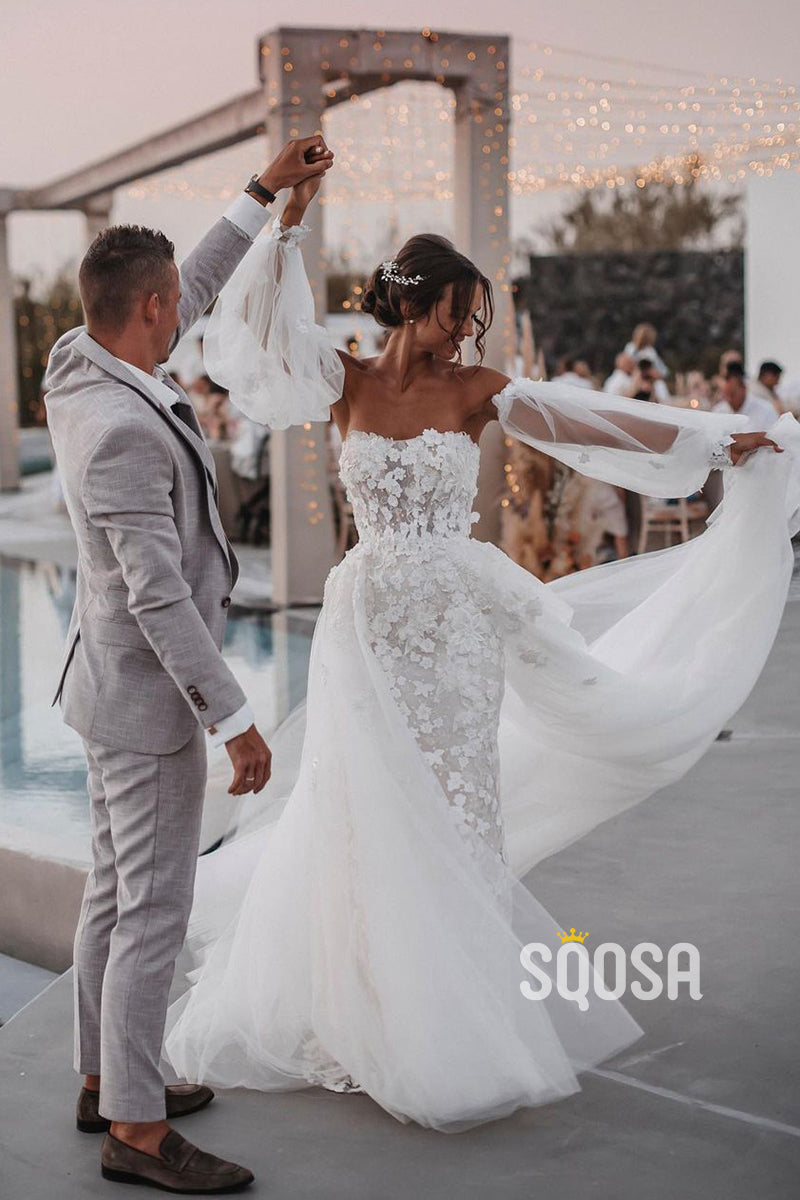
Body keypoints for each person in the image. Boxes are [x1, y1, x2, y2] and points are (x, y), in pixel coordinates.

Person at [160, 167, 800, 1134]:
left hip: (455, 633)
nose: (468, 330)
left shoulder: (478, 391)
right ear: (412, 303)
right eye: (458, 313)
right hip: (365, 627)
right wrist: (285, 221)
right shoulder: (342, 379)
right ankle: (367, 1008)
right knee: (361, 807)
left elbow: (590, 422)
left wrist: (713, 442)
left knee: (457, 811)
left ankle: (454, 1012)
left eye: (474, 317)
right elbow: (252, 338)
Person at [43, 135, 334, 1193]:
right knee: (153, 911)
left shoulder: (81, 357)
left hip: (104, 691)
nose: (188, 311)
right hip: (149, 704)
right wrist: (234, 718)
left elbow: (194, 281)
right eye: (176, 303)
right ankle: (135, 1128)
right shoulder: (118, 429)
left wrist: (262, 191)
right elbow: (156, 595)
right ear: (153, 310)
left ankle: (103, 1078)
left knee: (115, 894)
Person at [713, 360, 778, 430]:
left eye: (732, 394)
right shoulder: (719, 411)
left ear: (743, 388)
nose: (729, 400)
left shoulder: (766, 410)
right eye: (726, 395)